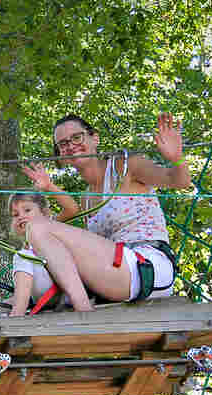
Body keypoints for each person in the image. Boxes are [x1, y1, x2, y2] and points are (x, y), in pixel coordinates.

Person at [11, 112, 191, 314]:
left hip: (148, 267)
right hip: (114, 277)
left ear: (94, 138)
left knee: (38, 226)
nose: (70, 145)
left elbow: (179, 181)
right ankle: (17, 308)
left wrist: (176, 159)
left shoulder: (125, 166)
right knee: (31, 253)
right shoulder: (86, 198)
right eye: (62, 144)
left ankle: (84, 311)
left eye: (76, 137)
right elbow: (58, 233)